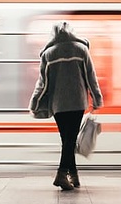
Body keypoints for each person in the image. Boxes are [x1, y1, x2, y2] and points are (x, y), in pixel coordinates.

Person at [29, 21, 103, 190]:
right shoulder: (81, 50)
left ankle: (74, 175)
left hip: (58, 105)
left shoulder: (48, 54)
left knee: (67, 140)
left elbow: (42, 83)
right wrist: (97, 99)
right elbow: (91, 77)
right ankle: (62, 174)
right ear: (72, 33)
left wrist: (35, 103)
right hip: (77, 102)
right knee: (69, 140)